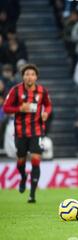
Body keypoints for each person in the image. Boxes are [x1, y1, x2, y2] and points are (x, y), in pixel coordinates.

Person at [3, 64, 52, 203]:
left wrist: (46, 113)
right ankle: (23, 177)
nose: (29, 77)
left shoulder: (42, 91)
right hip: (20, 132)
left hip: (37, 131)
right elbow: (6, 108)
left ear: (36, 77)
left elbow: (48, 105)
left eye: (32, 74)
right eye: (26, 74)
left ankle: (32, 194)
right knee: (21, 161)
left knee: (36, 160)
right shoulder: (15, 90)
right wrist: (19, 108)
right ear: (22, 76)